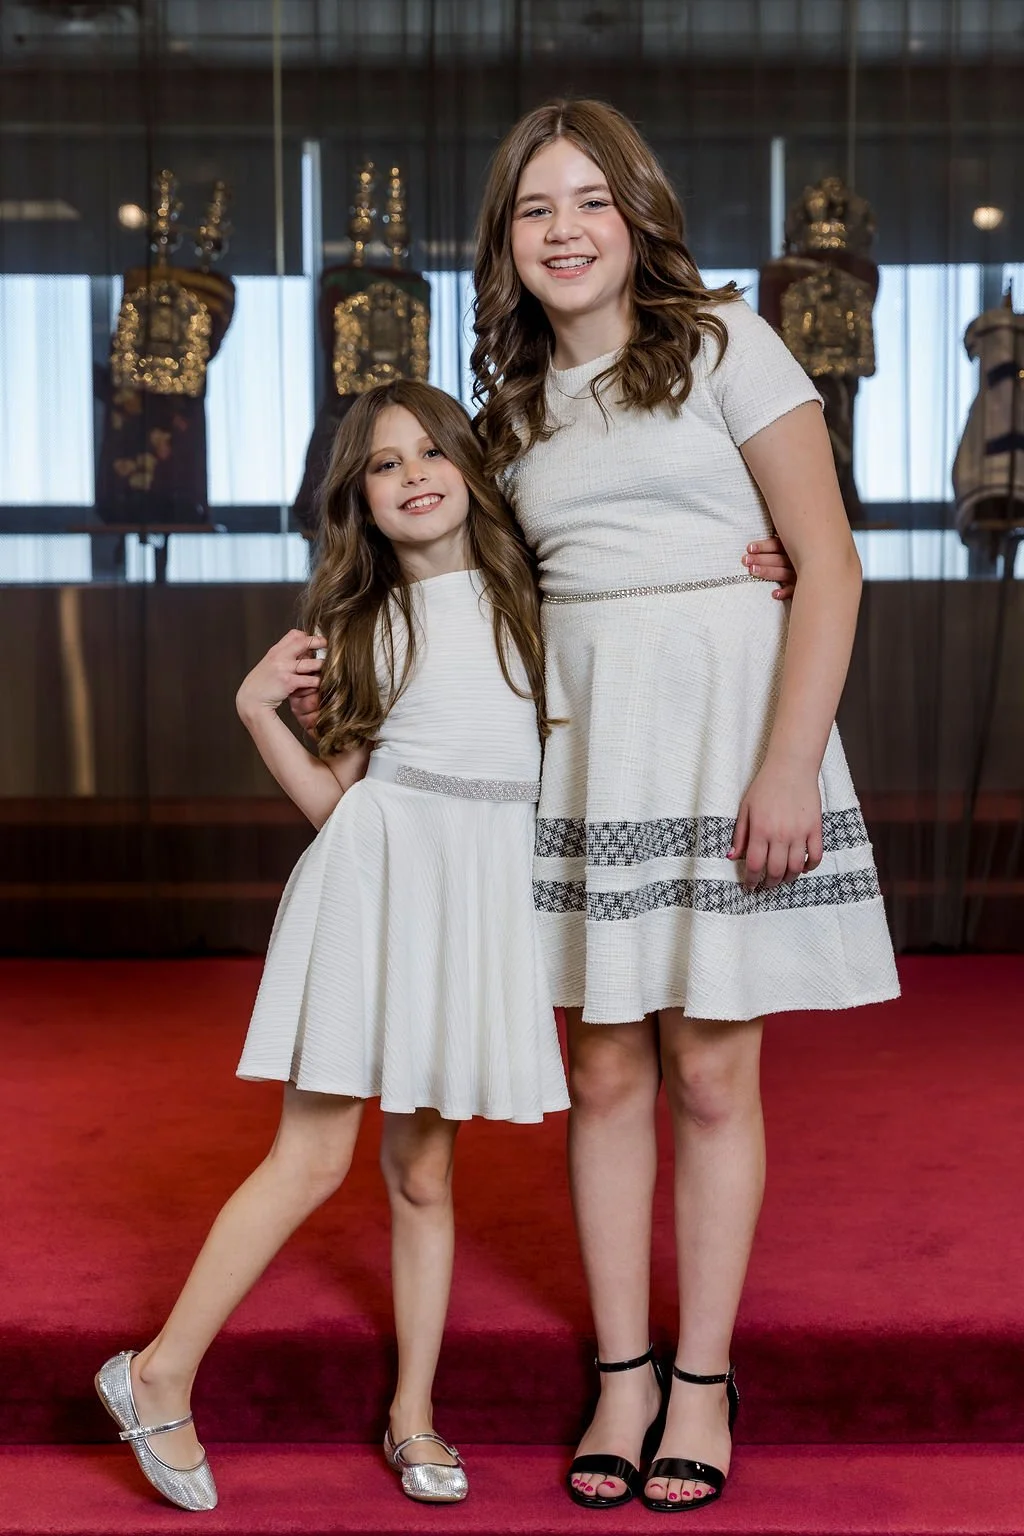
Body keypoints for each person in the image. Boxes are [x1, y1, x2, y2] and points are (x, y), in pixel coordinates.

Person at [468, 100, 900, 1513]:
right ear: (506, 243)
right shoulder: (510, 406)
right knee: (601, 1075)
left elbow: (827, 568)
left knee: (712, 1074)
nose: (564, 229)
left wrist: (788, 766)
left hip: (727, 735)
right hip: (587, 748)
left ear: (637, 213)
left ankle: (703, 1379)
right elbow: (484, 605)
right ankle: (623, 1372)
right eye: (535, 209)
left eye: (589, 199)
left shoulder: (728, 342)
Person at [94, 379, 571, 1512]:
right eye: (382, 464)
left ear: (468, 465)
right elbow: (338, 802)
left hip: (477, 893)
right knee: (310, 1158)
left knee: (422, 1168)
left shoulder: (535, 599)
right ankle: (157, 1371)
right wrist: (259, 710)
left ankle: (413, 1415)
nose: (412, 475)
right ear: (358, 497)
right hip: (376, 883)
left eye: (429, 453)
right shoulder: (361, 622)